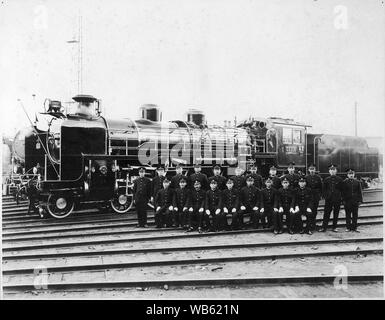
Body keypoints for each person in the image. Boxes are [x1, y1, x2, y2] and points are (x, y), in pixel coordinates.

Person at [320, 164, 344, 232]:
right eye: (331, 170)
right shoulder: (326, 179)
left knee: (336, 213)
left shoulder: (340, 179)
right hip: (329, 199)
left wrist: (341, 198)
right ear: (329, 171)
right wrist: (325, 196)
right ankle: (324, 227)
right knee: (326, 213)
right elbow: (324, 190)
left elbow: (342, 189)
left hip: (337, 199)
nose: (332, 171)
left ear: (336, 171)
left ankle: (334, 227)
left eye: (334, 170)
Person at [305, 164, 323, 231]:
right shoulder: (306, 177)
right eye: (311, 169)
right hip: (309, 197)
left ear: (315, 170)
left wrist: (320, 195)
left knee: (315, 210)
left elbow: (321, 187)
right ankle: (309, 224)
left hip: (316, 196)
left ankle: (313, 223)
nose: (312, 171)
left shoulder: (318, 177)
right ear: (309, 170)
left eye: (313, 169)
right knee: (309, 210)